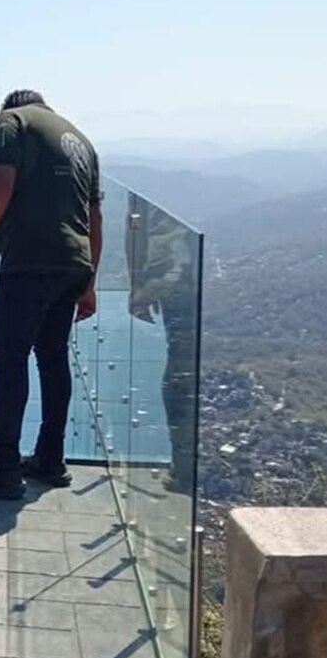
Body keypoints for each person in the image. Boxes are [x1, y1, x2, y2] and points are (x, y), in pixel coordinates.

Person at [0, 89, 102, 500]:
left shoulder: (12, 122)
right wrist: (89, 280)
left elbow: (2, 180)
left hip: (32, 260)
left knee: (9, 358)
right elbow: (94, 215)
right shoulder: (80, 139)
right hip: (74, 263)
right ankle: (51, 458)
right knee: (52, 357)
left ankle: (4, 468)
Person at [126, 192, 199, 495]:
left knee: (181, 375)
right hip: (187, 277)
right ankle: (187, 468)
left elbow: (135, 225)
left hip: (175, 278)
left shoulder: (148, 190)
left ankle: (185, 469)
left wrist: (141, 283)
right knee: (185, 371)